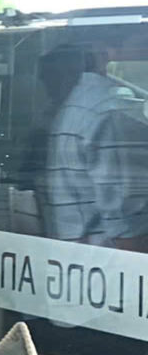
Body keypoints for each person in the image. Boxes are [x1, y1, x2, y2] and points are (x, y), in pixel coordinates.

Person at [39, 45, 148, 247]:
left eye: (48, 80)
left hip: (82, 255)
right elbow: (127, 232)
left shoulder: (86, 110)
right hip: (102, 259)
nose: (47, 90)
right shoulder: (105, 110)